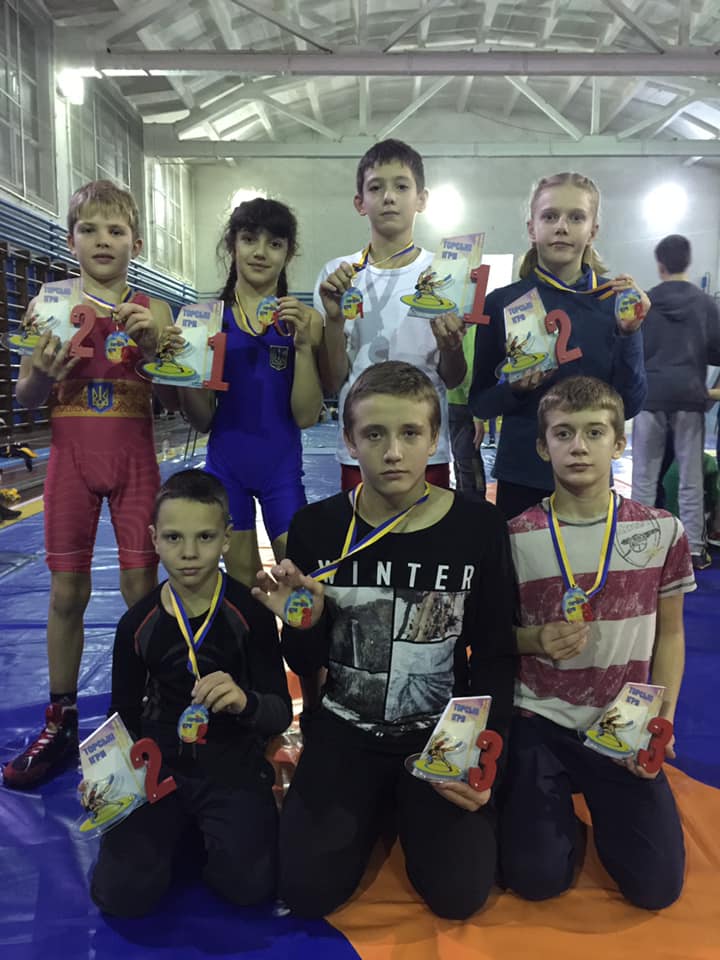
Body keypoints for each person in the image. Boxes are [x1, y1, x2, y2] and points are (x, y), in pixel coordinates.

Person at [252, 361, 516, 920]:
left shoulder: (478, 527)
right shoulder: (316, 528)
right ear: (349, 442)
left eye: (410, 433)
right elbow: (305, 661)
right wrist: (304, 624)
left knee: (459, 896)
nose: (393, 452)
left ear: (434, 438)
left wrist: (483, 750)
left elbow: (495, 653)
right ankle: (371, 804)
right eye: (374, 434)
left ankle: (405, 807)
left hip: (439, 736)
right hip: (345, 734)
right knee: (305, 892)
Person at [3, 180, 173, 790]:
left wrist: (154, 349)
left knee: (140, 591)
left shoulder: (155, 311)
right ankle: (62, 718)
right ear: (71, 239)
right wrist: (44, 375)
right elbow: (26, 394)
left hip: (134, 460)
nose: (103, 240)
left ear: (136, 243)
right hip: (71, 461)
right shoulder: (49, 302)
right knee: (66, 593)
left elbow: (174, 390)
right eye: (89, 229)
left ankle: (145, 708)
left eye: (116, 230)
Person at [501, 376, 693, 910]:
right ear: (543, 447)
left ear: (619, 443)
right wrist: (534, 638)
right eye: (563, 433)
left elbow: (672, 632)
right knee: (536, 880)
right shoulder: (514, 535)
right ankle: (552, 807)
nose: (579, 447)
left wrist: (661, 720)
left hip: (622, 724)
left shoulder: (661, 531)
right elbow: (494, 637)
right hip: (541, 718)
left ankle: (600, 806)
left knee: (656, 889)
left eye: (594, 432)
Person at [90, 469, 292, 917]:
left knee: (250, 887)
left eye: (204, 537)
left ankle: (203, 832)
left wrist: (245, 702)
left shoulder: (251, 614)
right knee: (122, 894)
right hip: (159, 769)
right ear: (154, 539)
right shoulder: (137, 623)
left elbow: (278, 712)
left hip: (231, 762)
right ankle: (176, 830)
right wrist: (109, 778)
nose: (188, 553)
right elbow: (121, 716)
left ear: (227, 539)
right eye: (173, 538)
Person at [469, 171, 648, 520]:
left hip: (590, 475)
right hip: (522, 473)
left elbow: (630, 404)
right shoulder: (501, 302)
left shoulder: (617, 302)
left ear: (592, 231)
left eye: (576, 217)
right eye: (550, 216)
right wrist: (514, 389)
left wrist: (630, 334)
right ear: (532, 228)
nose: (562, 227)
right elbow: (481, 401)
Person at [176, 198, 323, 588]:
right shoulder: (205, 321)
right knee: (246, 587)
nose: (260, 252)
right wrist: (188, 374)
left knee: (300, 581)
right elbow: (202, 420)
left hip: (281, 473)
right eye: (249, 239)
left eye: (274, 243)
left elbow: (307, 416)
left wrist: (303, 348)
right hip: (227, 470)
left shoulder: (305, 321)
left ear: (288, 252)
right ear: (232, 244)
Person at [315, 138, 466, 491]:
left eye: (401, 186)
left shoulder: (444, 274)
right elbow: (332, 381)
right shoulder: (337, 274)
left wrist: (452, 347)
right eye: (375, 187)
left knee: (429, 530)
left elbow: (454, 378)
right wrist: (334, 322)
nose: (388, 197)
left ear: (421, 199)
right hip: (361, 449)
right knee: (363, 530)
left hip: (427, 450)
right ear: (360, 203)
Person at [630, 234, 720, 571]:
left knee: (644, 476)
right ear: (687, 261)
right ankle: (694, 549)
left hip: (651, 394)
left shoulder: (647, 301)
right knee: (690, 479)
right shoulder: (705, 303)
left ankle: (638, 549)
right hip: (689, 396)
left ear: (660, 264)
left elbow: (632, 347)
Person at [447, 324, 486, 501]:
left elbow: (468, 368)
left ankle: (474, 506)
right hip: (459, 403)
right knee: (464, 461)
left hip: (460, 403)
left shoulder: (466, 323)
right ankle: (471, 504)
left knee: (465, 461)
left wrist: (477, 414)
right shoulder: (467, 323)